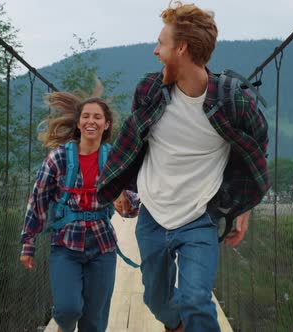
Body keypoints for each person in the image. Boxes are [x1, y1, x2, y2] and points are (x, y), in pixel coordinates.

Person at [102, 2, 270, 331]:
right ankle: (175, 323)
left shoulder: (234, 100)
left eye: (161, 44)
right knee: (156, 301)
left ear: (181, 49)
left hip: (199, 217)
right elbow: (132, 144)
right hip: (153, 215)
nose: (155, 51)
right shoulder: (149, 90)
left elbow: (257, 149)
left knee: (195, 298)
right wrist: (119, 186)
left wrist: (244, 206)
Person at [19, 84, 139, 332]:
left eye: (97, 117)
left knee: (94, 323)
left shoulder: (115, 158)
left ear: (107, 125)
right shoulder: (59, 157)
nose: (90, 121)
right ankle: (64, 326)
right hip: (65, 245)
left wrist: (126, 199)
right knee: (67, 309)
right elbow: (38, 198)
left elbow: (131, 209)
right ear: (78, 123)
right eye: (85, 116)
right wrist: (28, 243)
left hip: (102, 246)